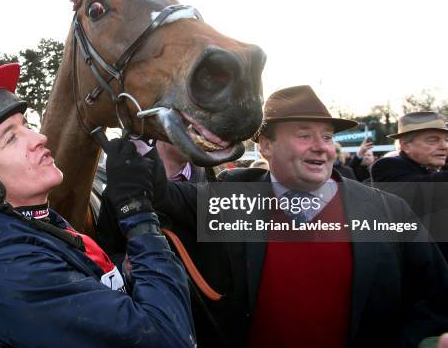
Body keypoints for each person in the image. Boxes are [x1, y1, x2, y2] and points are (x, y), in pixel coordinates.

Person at [0, 63, 195, 347]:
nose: (40, 138)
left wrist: (129, 272)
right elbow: (169, 337)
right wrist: (138, 213)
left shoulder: (35, 223)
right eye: (10, 138)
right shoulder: (8, 272)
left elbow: (88, 280)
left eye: (26, 125)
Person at [152, 86, 448, 347]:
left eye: (327, 137)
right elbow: (157, 191)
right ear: (266, 146)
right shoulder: (231, 200)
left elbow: (437, 296)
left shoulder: (388, 211)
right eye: (305, 135)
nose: (321, 146)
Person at [371, 111, 448, 259]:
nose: (444, 146)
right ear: (405, 145)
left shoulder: (436, 169)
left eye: (446, 140)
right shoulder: (387, 165)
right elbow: (422, 192)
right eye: (433, 140)